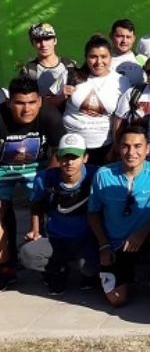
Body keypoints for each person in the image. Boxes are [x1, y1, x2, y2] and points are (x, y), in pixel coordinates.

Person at [88, 125, 150, 306]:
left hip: (146, 240)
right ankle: (121, 275)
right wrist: (104, 245)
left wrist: (143, 232)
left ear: (147, 148)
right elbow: (93, 213)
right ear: (118, 147)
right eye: (125, 146)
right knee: (117, 300)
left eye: (137, 146)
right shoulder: (104, 174)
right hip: (116, 243)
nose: (131, 152)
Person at [0, 77, 65, 290]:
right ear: (9, 102)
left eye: (31, 102)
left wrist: (46, 181)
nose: (26, 109)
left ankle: (48, 263)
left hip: (38, 167)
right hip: (2, 169)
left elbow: (59, 152)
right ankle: (6, 266)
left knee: (47, 205)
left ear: (39, 101)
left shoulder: (49, 115)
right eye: (19, 103)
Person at [19, 133, 99, 295]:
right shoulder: (45, 179)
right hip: (56, 239)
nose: (69, 162)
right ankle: (58, 270)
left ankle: (88, 275)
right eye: (64, 157)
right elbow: (37, 205)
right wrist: (36, 230)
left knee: (90, 266)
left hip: (86, 239)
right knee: (27, 254)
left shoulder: (97, 176)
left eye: (74, 157)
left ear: (85, 158)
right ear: (57, 157)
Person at [62, 36, 131, 165]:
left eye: (104, 56)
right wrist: (61, 95)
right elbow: (46, 104)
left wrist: (115, 148)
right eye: (93, 56)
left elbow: (122, 119)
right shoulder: (70, 75)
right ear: (86, 57)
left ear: (111, 57)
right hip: (71, 146)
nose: (99, 62)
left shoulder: (122, 81)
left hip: (105, 147)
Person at [20, 22, 78, 108]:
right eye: (38, 40)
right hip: (43, 118)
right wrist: (59, 97)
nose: (43, 44)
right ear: (33, 44)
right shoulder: (29, 70)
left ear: (55, 41)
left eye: (47, 39)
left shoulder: (70, 65)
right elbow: (26, 102)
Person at [109, 19, 146, 87]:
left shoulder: (144, 60)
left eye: (128, 37)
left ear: (134, 38)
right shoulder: (101, 61)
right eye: (120, 36)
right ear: (111, 36)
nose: (124, 41)